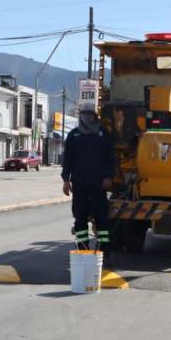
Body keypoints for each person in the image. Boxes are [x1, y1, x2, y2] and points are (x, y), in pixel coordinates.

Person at [61, 104, 114, 252]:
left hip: (99, 185)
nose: (87, 118)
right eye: (84, 115)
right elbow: (67, 160)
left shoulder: (102, 134)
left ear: (95, 116)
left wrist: (108, 176)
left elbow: (110, 158)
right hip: (79, 185)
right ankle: (82, 251)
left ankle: (104, 252)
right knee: (80, 219)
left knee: (102, 219)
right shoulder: (74, 135)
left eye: (90, 115)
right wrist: (66, 180)